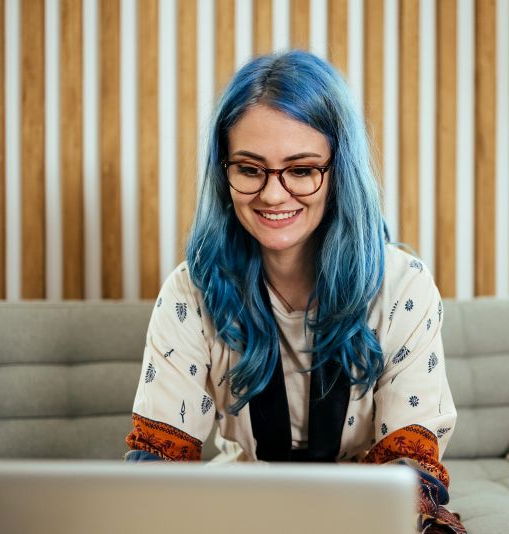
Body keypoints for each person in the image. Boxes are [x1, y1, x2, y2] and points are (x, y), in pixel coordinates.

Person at [124, 50, 465, 534]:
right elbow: (160, 460)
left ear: (337, 171)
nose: (273, 194)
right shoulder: (189, 292)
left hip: (365, 512)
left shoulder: (402, 286)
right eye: (250, 168)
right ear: (225, 173)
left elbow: (407, 462)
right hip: (239, 507)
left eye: (302, 170)